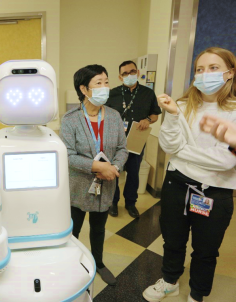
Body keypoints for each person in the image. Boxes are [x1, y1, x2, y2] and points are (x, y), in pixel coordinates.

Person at [143, 47, 236, 302]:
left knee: (205, 250)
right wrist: (173, 115)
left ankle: (197, 294)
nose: (205, 74)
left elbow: (227, 160)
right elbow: (169, 146)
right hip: (177, 184)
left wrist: (183, 151)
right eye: (200, 69)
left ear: (230, 73)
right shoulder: (181, 106)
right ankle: (170, 281)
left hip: (215, 191)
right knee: (173, 241)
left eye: (213, 68)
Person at [60, 64, 128, 286]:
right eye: (98, 83)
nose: (105, 87)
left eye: (106, 82)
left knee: (99, 229)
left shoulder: (115, 116)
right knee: (73, 230)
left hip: (106, 185)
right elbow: (68, 155)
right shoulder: (70, 119)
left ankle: (98, 262)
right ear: (84, 89)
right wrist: (99, 167)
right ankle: (70, 264)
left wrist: (115, 168)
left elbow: (122, 149)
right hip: (78, 185)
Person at [106, 60, 161, 218]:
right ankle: (113, 202)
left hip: (137, 140)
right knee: (114, 172)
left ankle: (131, 203)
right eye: (125, 73)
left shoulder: (148, 93)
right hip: (115, 141)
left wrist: (148, 120)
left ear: (137, 73)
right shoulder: (112, 93)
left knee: (133, 173)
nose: (129, 75)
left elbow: (155, 115)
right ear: (120, 76)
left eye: (132, 72)